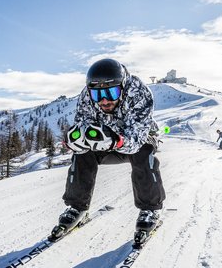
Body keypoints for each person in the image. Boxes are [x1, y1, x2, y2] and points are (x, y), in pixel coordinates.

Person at [51, 58, 166, 247]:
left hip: (136, 139)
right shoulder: (87, 97)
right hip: (105, 140)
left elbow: (136, 137)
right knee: (82, 152)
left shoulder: (138, 92)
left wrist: (117, 140)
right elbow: (83, 126)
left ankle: (150, 208)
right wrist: (75, 141)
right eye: (97, 95)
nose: (104, 100)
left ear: (122, 86)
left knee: (144, 152)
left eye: (111, 92)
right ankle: (77, 207)